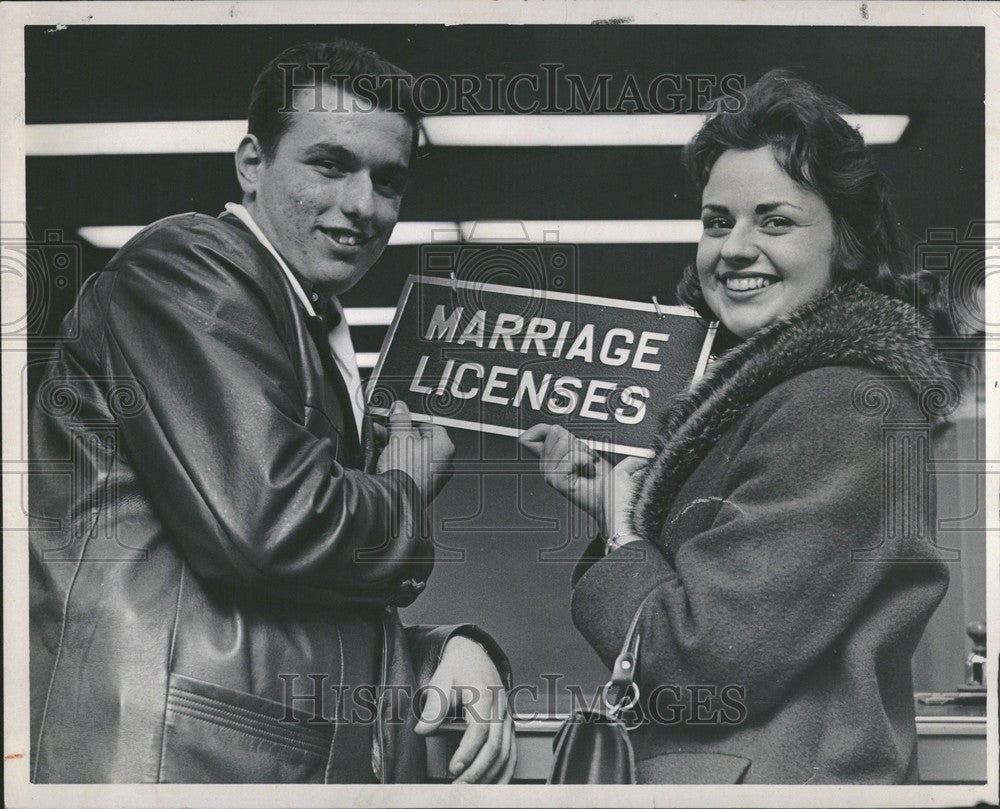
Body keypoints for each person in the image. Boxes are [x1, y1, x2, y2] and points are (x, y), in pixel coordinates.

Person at [30, 39, 515, 784]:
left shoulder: (304, 325)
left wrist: (448, 646)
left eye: (389, 181)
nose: (362, 206)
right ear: (251, 162)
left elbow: (293, 606)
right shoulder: (190, 266)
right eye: (329, 165)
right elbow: (270, 525)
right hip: (167, 769)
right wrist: (406, 489)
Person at [521, 69, 957, 784]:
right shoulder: (791, 397)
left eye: (775, 221)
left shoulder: (840, 405)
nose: (733, 248)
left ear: (845, 244)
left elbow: (701, 664)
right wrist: (614, 508)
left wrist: (627, 534)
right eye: (717, 221)